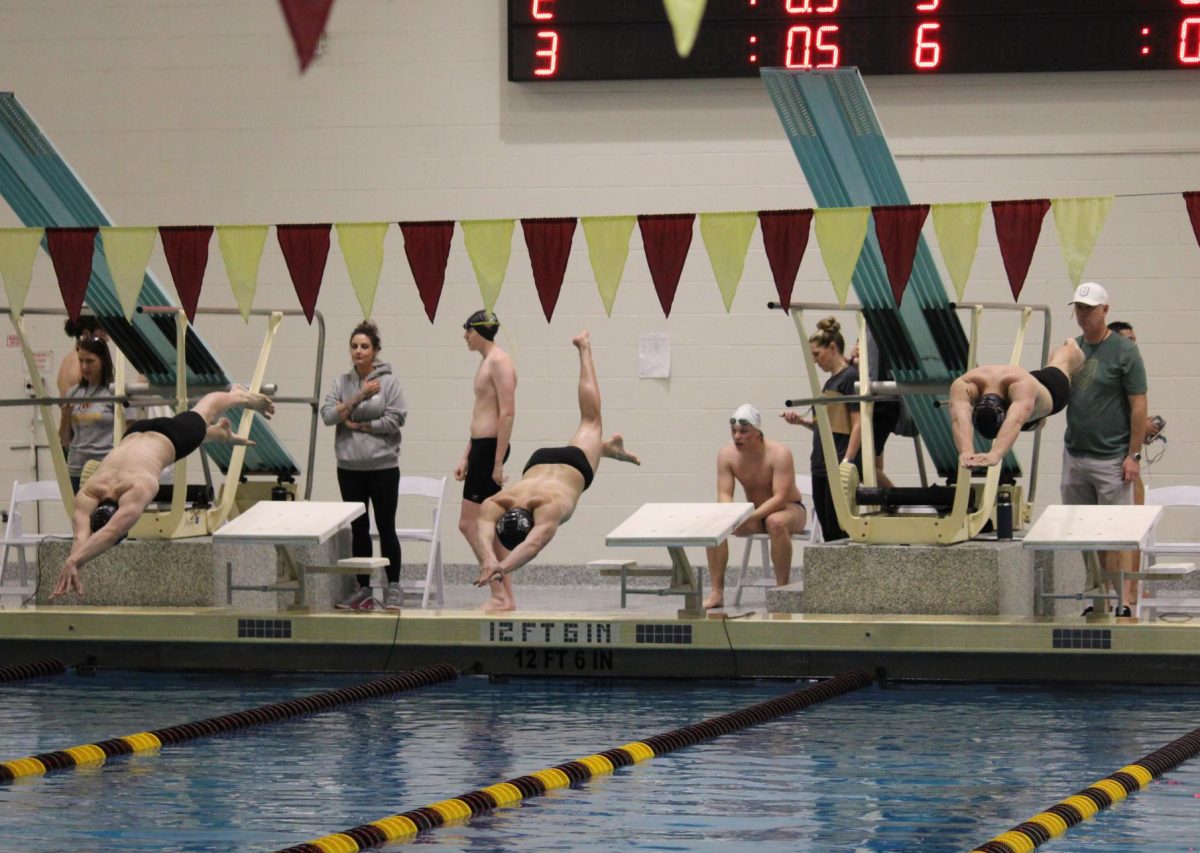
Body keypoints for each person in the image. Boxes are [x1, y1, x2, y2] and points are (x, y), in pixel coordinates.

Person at [50, 385, 274, 598]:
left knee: (207, 407)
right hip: (135, 431)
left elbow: (109, 534)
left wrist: (74, 562)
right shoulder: (90, 491)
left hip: (172, 437)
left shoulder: (139, 487)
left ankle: (239, 395)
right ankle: (217, 433)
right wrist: (74, 562)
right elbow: (81, 536)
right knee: (196, 425)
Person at [470, 332, 640, 612]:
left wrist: (499, 565)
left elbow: (532, 547)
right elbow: (486, 531)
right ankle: (606, 447)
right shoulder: (499, 503)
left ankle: (586, 347)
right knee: (588, 422)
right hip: (539, 460)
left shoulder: (548, 508)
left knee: (592, 419)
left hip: (574, 464)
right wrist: (492, 561)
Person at [1062, 283, 1148, 618]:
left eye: (1090, 308)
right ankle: (1096, 596)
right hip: (1075, 454)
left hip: (1112, 457)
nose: (1083, 315)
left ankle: (1123, 597)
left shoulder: (1125, 352)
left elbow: (1139, 406)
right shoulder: (1072, 350)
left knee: (1117, 533)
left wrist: (1133, 455)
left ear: (1105, 311)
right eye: (1079, 308)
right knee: (1083, 531)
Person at [321, 321, 408, 612]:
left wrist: (360, 424)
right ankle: (363, 589)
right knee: (359, 529)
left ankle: (393, 585)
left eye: (364, 347)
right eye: (354, 346)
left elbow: (394, 421)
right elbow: (328, 416)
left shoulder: (390, 384)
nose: (358, 351)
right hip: (349, 467)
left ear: (375, 351)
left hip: (383, 466)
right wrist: (358, 397)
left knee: (386, 527)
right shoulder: (340, 383)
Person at [702, 404, 807, 610]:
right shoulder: (727, 455)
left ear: (757, 432)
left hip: (790, 510)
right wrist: (731, 515)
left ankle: (781, 590)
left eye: (743, 432)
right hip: (756, 514)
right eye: (734, 432)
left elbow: (780, 497)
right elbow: (724, 493)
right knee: (715, 523)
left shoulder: (779, 453)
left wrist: (750, 516)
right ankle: (716, 592)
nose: (737, 436)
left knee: (775, 522)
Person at [454, 310, 517, 609]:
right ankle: (505, 597)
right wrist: (466, 455)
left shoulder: (500, 362)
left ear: (479, 331)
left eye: (467, 330)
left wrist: (497, 463)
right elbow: (482, 413)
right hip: (481, 449)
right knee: (488, 528)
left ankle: (498, 594)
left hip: (491, 450)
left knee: (469, 524)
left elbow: (506, 413)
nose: (465, 336)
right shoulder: (487, 362)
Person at [949, 338, 1086, 468]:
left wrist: (995, 454)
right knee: (1033, 419)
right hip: (1024, 390)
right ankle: (1037, 421)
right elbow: (959, 419)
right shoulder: (964, 384)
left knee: (1064, 361)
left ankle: (1072, 347)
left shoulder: (1020, 386)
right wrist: (965, 451)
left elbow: (1015, 421)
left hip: (1051, 390)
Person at [782, 316, 861, 541]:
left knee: (838, 529)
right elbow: (829, 428)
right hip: (820, 462)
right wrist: (803, 422)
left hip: (836, 462)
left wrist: (847, 461)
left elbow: (858, 424)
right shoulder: (830, 382)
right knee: (827, 528)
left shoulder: (850, 378)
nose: (815, 362)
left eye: (817, 354)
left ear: (833, 348)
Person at [58, 336, 115, 494]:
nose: (84, 367)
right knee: (78, 517)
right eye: (81, 361)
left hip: (104, 469)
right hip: (76, 470)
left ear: (102, 361)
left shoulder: (114, 393)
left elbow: (128, 433)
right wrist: (65, 416)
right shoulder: (74, 393)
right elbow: (64, 439)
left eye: (90, 361)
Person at [848, 335, 899, 489]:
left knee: (864, 467)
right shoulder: (870, 336)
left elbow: (871, 369)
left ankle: (895, 499)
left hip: (882, 404)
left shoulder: (878, 340)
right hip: (881, 402)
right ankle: (889, 500)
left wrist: (852, 361)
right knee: (873, 466)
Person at [56, 315, 109, 399]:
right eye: (102, 334)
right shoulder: (85, 366)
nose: (107, 339)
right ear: (86, 334)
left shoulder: (66, 360)